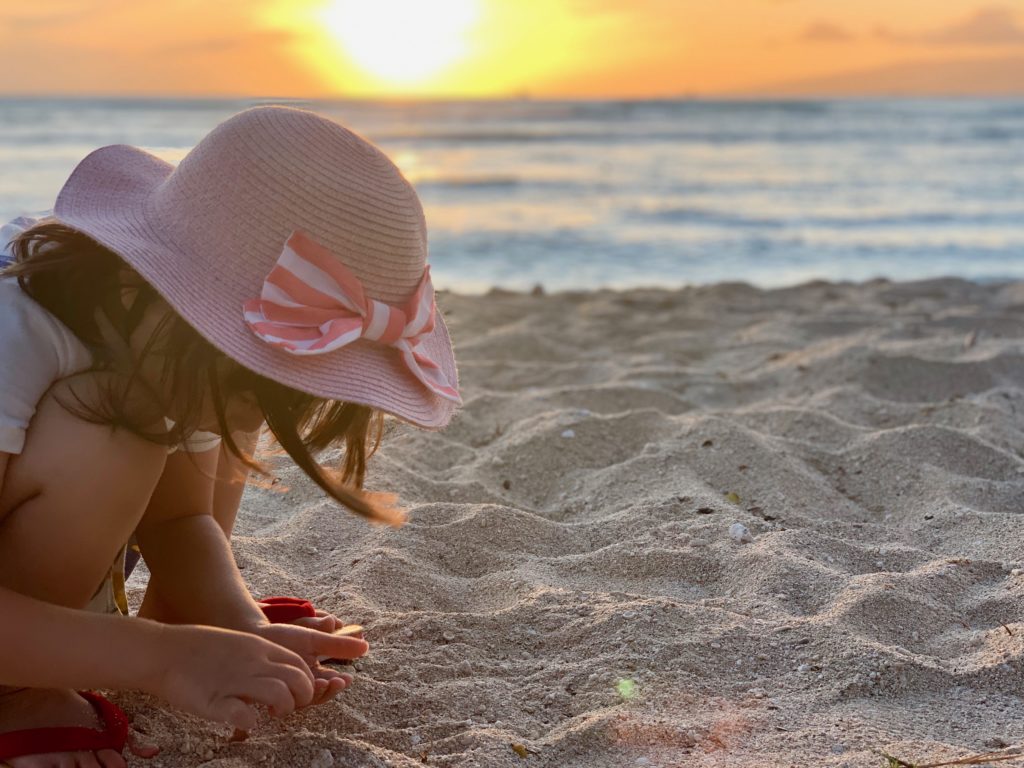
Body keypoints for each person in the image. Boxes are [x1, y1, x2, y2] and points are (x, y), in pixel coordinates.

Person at [0, 105, 462, 768]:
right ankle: (16, 689)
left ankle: (177, 617)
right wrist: (164, 659)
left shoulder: (153, 329)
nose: (242, 421)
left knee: (160, 410)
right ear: (147, 283)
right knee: (113, 428)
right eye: (255, 383)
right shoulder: (13, 332)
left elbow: (185, 516)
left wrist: (229, 621)